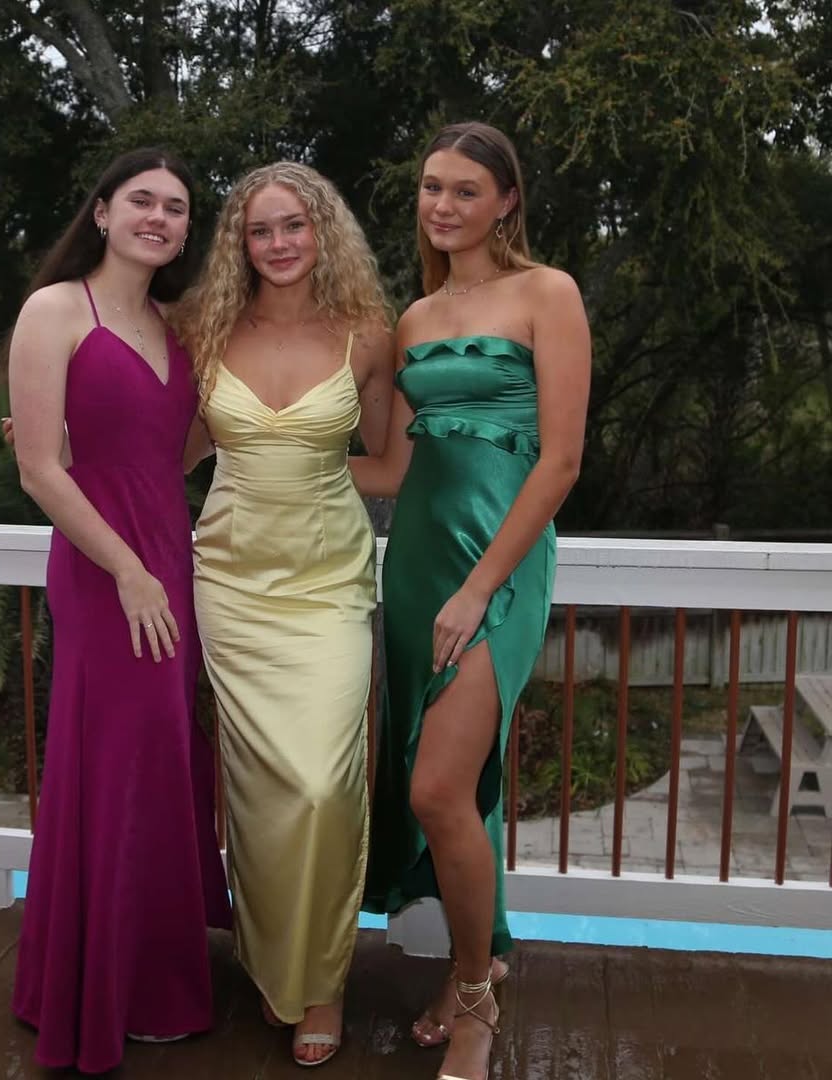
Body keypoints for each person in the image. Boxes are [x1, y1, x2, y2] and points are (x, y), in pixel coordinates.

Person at [353, 121, 591, 1080]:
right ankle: (473, 965)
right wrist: (261, 448)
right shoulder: (412, 319)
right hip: (416, 562)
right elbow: (389, 469)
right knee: (453, 784)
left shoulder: (548, 293)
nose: (442, 205)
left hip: (499, 563)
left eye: (464, 190)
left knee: (435, 788)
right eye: (430, 187)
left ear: (506, 202)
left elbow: (562, 461)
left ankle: (478, 1002)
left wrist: (479, 586)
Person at [6, 147, 231, 1074]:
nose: (158, 218)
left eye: (176, 208)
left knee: (161, 760)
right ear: (102, 212)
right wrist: (128, 569)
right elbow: (37, 468)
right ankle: (99, 989)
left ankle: (148, 978)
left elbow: (182, 450)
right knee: (114, 763)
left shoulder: (184, 327)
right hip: (106, 573)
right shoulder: (56, 310)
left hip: (170, 558)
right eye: (142, 200)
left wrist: (155, 554)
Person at [171, 161, 393, 1066]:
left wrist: (307, 471)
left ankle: (324, 979)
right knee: (258, 789)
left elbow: (392, 462)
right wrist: (58, 442)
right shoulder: (205, 330)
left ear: (322, 229)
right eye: (259, 229)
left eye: (293, 224)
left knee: (322, 785)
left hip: (327, 586)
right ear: (240, 242)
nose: (278, 243)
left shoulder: (368, 334)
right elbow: (172, 453)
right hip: (230, 582)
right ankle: (273, 967)